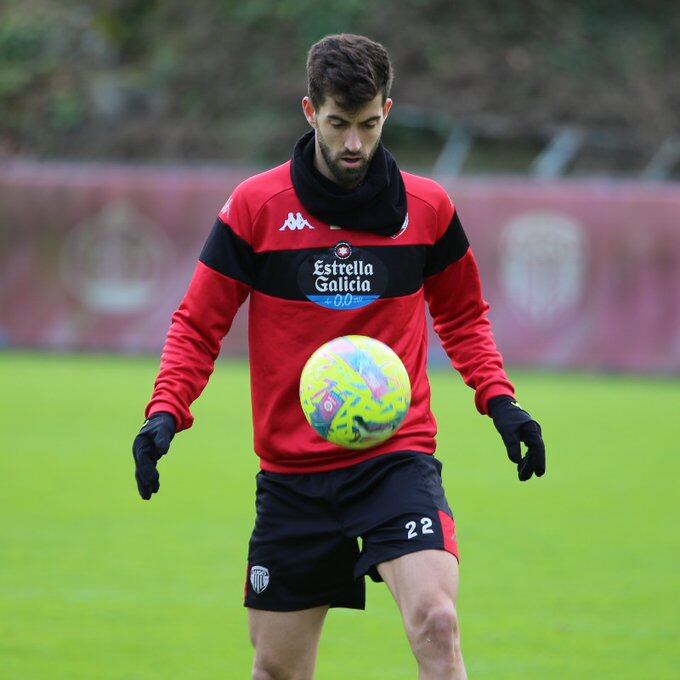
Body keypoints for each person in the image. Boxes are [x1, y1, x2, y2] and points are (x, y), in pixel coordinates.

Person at [132, 33, 545, 680]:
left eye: (369, 124)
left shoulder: (428, 207)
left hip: (395, 461)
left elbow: (462, 315)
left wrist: (502, 403)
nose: (354, 144)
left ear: (388, 109)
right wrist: (165, 413)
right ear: (308, 112)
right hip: (294, 476)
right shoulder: (255, 208)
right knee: (276, 670)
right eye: (338, 124)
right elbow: (198, 324)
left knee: (437, 622)